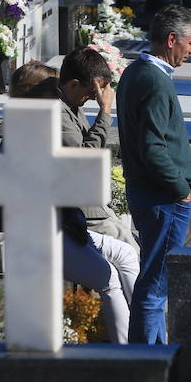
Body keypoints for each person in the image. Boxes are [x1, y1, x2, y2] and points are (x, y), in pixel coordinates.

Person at [9, 60, 140, 343]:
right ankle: (133, 350)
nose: (57, 93)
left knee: (125, 257)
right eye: (51, 88)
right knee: (110, 278)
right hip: (46, 232)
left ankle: (147, 336)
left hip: (65, 223)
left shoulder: (47, 119)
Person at [116, 3, 191, 344]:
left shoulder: (135, 72)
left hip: (147, 192)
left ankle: (154, 352)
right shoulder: (155, 82)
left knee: (154, 281)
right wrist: (180, 189)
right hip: (163, 197)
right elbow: (153, 148)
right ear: (171, 40)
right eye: (190, 43)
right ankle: (147, 362)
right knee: (156, 284)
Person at [59, 47, 136, 246]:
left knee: (133, 244)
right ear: (74, 84)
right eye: (93, 93)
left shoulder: (72, 104)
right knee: (130, 250)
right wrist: (105, 112)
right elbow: (84, 158)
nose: (95, 98)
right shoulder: (58, 112)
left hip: (89, 203)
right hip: (77, 208)